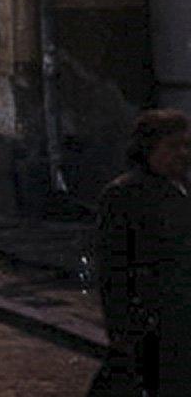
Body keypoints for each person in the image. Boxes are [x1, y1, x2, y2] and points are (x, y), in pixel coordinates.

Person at [88, 108, 190, 396]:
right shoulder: (124, 195)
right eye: (173, 146)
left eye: (186, 146)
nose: (183, 153)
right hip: (150, 324)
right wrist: (121, 331)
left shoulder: (182, 189)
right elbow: (112, 268)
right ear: (148, 150)